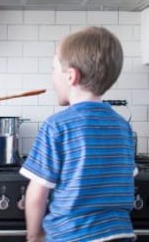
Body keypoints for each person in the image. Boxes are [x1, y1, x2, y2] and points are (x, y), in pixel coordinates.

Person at [20, 27, 137, 242]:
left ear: (71, 76)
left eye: (54, 69)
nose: (52, 77)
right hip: (120, 234)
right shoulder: (123, 127)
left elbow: (37, 195)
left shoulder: (56, 126)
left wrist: (34, 235)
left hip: (72, 236)